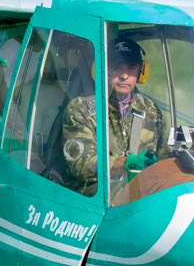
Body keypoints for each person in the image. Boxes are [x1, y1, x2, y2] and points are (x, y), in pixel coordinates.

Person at [59, 36, 169, 196]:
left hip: (140, 195)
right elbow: (81, 165)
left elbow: (163, 156)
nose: (124, 75)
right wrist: (126, 164)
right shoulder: (80, 108)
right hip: (91, 198)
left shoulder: (150, 110)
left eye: (131, 67)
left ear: (141, 72)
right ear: (102, 69)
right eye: (118, 66)